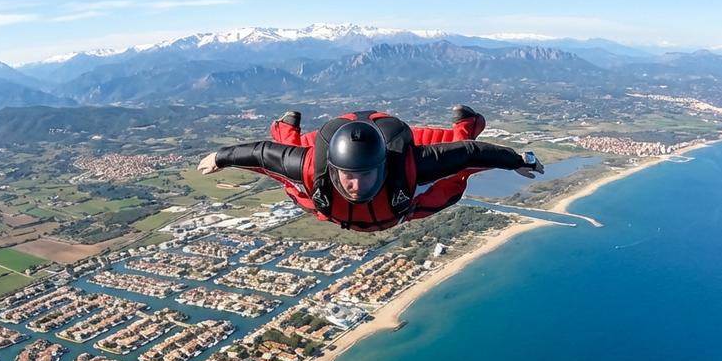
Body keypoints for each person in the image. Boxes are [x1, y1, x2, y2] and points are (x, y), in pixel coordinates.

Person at [197, 106, 543, 232]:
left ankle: (466, 122)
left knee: (455, 182)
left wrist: (518, 161)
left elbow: (469, 153)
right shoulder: (308, 168)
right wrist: (221, 157)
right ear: (333, 169)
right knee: (292, 184)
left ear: (382, 167)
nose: (356, 185)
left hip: (395, 199)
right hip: (338, 194)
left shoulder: (411, 167)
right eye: (348, 175)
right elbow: (261, 155)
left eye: (365, 175)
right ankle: (287, 126)